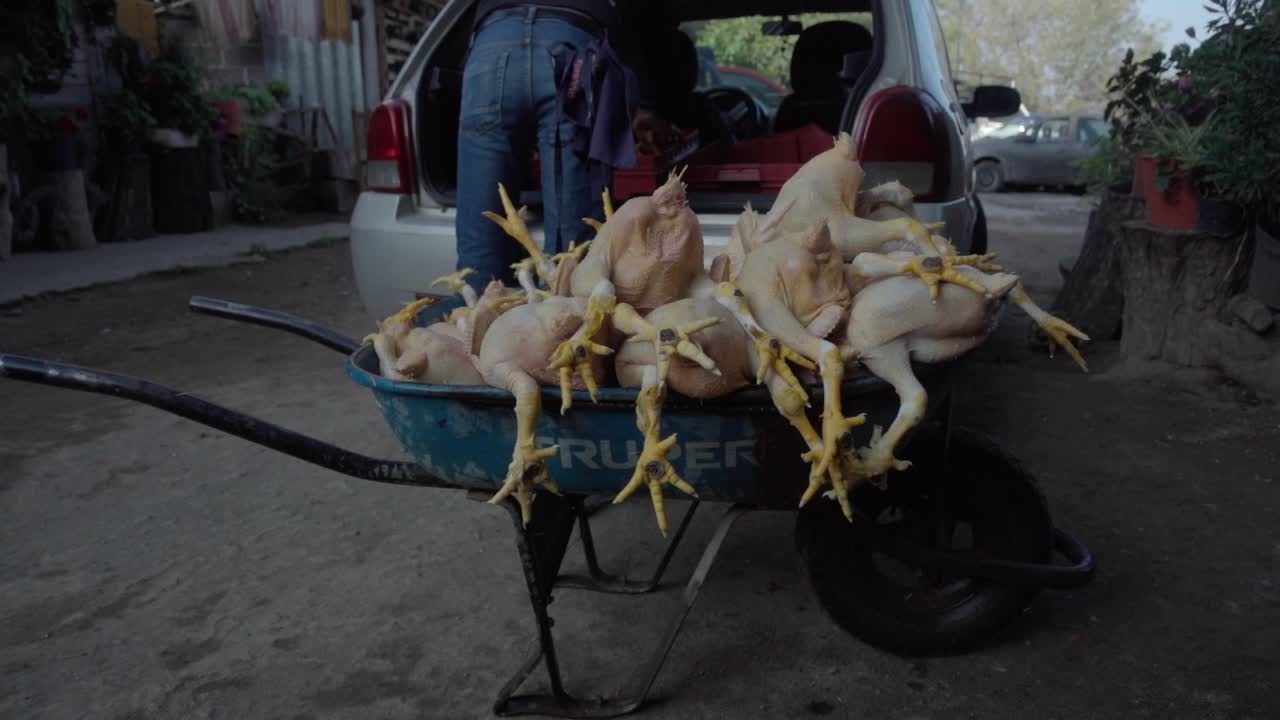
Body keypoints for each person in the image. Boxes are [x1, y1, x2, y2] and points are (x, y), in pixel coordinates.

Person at [454, 0, 676, 291]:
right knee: (571, 256)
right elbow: (635, 23)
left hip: (492, 47)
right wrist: (645, 102)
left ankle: (477, 316)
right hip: (572, 49)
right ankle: (565, 318)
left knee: (480, 249)